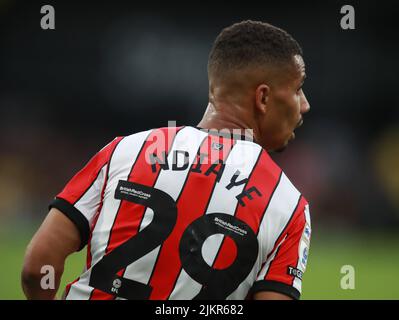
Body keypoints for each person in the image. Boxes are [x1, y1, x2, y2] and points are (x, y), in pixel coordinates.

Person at [22, 20, 311, 300]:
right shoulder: (288, 205)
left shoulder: (124, 151)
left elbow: (37, 268)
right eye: (298, 89)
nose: (305, 104)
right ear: (263, 98)